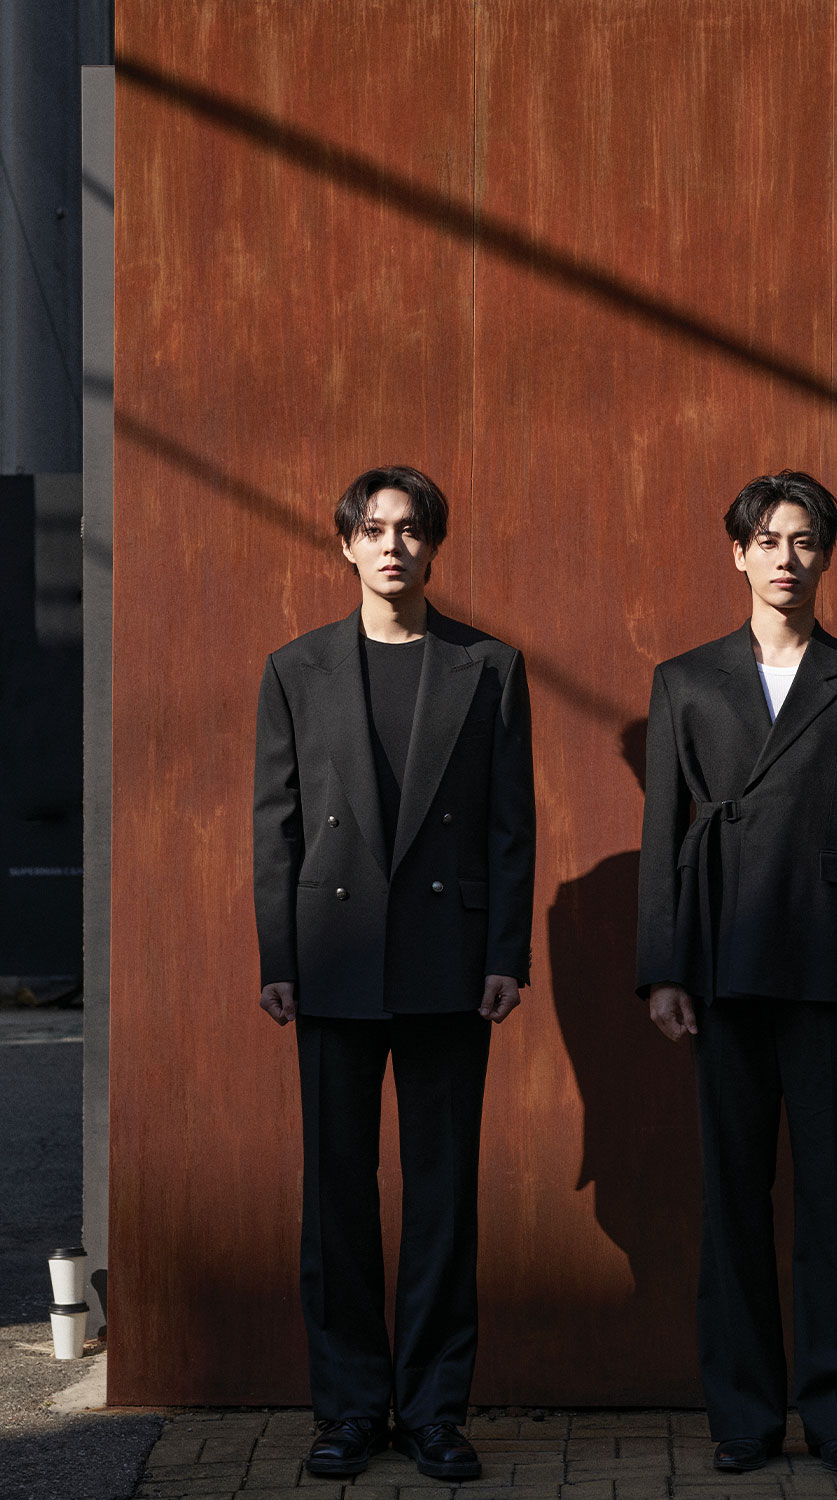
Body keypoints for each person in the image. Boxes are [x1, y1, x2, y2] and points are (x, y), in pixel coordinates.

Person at [636, 470, 837, 1478]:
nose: (785, 559)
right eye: (767, 541)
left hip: (834, 968)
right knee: (733, 1199)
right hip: (721, 961)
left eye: (803, 541)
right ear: (738, 555)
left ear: (827, 555)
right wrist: (662, 969)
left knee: (834, 1199)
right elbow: (662, 834)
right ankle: (745, 1417)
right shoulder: (684, 680)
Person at [253, 465, 535, 1481]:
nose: (393, 546)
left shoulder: (488, 667)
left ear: (433, 545)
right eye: (373, 530)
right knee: (335, 1196)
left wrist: (505, 955)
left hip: (447, 962)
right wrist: (278, 958)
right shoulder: (297, 668)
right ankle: (347, 1409)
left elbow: (510, 827)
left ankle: (433, 1412)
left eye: (411, 529)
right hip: (331, 958)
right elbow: (276, 827)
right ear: (345, 544)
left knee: (442, 1197)